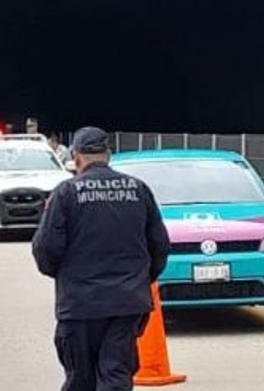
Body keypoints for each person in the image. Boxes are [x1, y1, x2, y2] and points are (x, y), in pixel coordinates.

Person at [32, 126, 170, 391]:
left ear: (76, 156)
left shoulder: (66, 193)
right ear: (108, 154)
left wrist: (64, 277)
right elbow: (160, 246)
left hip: (80, 304)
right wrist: (140, 280)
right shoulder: (138, 190)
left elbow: (46, 250)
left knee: (80, 378)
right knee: (116, 373)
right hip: (127, 303)